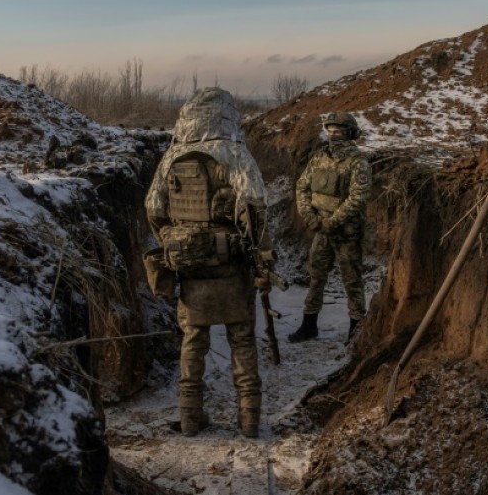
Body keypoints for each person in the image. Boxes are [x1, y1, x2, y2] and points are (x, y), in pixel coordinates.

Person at [145, 87, 274, 438]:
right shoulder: (237, 155)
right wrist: (263, 263)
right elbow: (256, 211)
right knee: (243, 341)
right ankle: (248, 423)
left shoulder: (172, 157)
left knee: (192, 342)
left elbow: (154, 210)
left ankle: (190, 419)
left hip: (190, 269)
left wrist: (176, 245)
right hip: (232, 267)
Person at [288, 111, 371, 343]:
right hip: (322, 231)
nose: (334, 135)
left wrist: (331, 223)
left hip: (346, 233)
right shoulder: (319, 158)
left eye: (340, 131)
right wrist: (310, 217)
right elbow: (301, 187)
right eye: (331, 131)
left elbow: (358, 197)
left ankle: (356, 331)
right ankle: (309, 325)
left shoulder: (358, 162)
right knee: (316, 278)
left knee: (352, 281)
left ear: (351, 134)